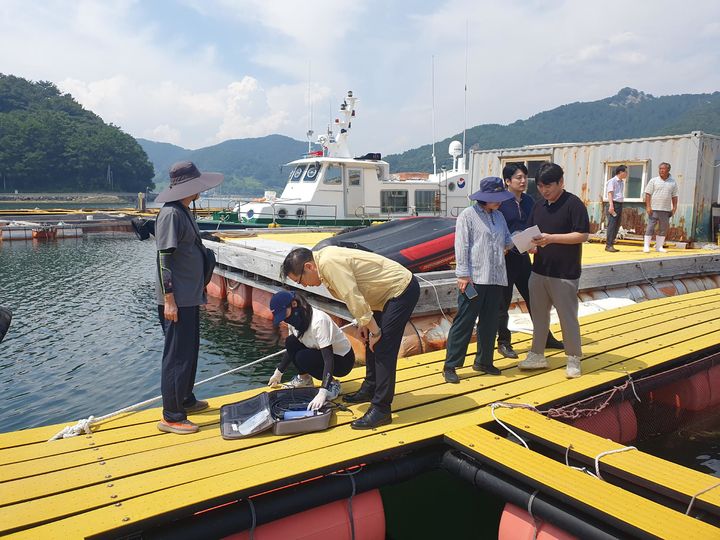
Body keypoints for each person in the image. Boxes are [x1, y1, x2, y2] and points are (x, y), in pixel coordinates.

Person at [281, 246, 420, 429]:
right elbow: (359, 290)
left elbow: (351, 295)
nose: (304, 286)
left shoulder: (330, 263)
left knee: (383, 347)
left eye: (300, 280)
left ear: (309, 267)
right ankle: (371, 386)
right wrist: (365, 323)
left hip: (400, 291)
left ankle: (381, 409)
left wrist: (375, 330)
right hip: (380, 296)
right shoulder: (323, 263)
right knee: (371, 341)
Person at [154, 161, 224, 434]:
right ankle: (171, 415)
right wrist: (169, 299)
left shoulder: (184, 211)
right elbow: (164, 259)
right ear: (188, 187)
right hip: (177, 300)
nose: (200, 191)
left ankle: (185, 399)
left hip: (189, 296)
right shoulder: (171, 214)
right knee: (176, 357)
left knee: (190, 351)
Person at [517, 162, 589, 378]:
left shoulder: (574, 204)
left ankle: (573, 358)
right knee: (538, 316)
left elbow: (582, 235)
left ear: (561, 182)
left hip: (565, 273)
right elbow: (531, 233)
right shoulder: (539, 206)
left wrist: (551, 239)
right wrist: (529, 244)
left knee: (567, 317)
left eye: (548, 185)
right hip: (539, 271)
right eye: (540, 186)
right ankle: (537, 353)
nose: (544, 190)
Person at [442, 177, 514, 384]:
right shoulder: (468, 215)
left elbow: (507, 240)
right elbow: (461, 246)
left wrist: (525, 239)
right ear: (485, 198)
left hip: (496, 276)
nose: (500, 202)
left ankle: (484, 361)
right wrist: (463, 275)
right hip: (474, 278)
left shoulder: (499, 216)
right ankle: (451, 364)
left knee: (491, 321)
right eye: (496, 198)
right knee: (464, 321)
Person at [496, 164, 564, 360]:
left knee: (536, 300)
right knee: (503, 303)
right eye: (518, 178)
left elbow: (536, 224)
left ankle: (545, 337)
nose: (523, 181)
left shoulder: (529, 201)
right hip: (505, 259)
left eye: (525, 177)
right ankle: (504, 342)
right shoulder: (500, 202)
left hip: (524, 256)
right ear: (507, 181)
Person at [267, 290, 355, 411]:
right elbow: (291, 348)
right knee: (291, 341)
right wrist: (278, 373)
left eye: (284, 314)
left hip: (342, 360)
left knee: (303, 357)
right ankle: (305, 380)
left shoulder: (319, 321)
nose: (284, 319)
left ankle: (333, 385)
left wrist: (323, 391)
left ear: (293, 304)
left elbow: (328, 359)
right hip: (318, 351)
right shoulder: (292, 320)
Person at [644, 162, 678, 253]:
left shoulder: (673, 182)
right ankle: (646, 246)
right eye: (660, 169)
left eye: (663, 169)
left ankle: (659, 247)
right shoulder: (653, 180)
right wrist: (648, 206)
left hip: (666, 210)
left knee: (663, 228)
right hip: (654, 208)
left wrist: (674, 208)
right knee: (650, 227)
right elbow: (648, 194)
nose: (661, 170)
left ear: (668, 170)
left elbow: (674, 196)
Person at [604, 165, 628, 252]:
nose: (626, 174)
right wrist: (611, 205)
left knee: (617, 225)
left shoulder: (622, 182)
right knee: (612, 225)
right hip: (613, 204)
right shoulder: (612, 181)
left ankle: (612, 243)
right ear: (621, 172)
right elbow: (610, 193)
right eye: (625, 172)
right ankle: (608, 245)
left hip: (619, 204)